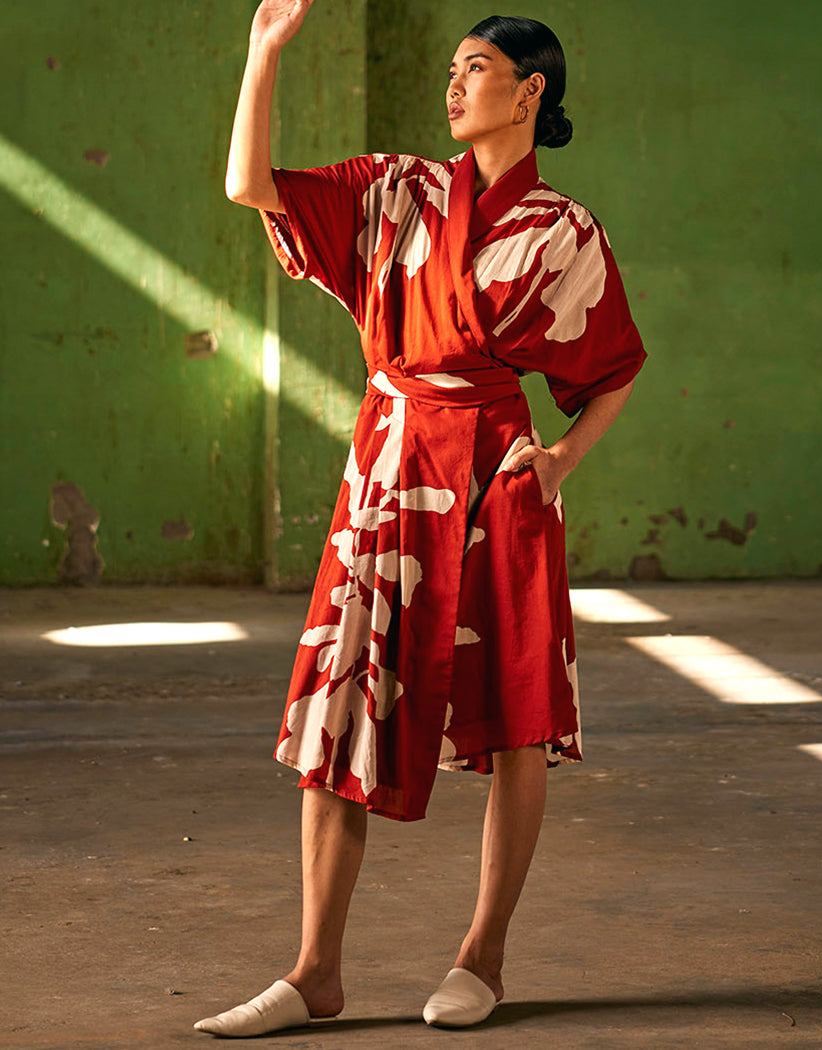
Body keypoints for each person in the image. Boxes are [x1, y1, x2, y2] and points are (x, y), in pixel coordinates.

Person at [194, 0, 645, 1036]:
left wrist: (561, 459)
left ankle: (484, 957)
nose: (454, 85)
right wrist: (263, 53)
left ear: (529, 93)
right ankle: (315, 972)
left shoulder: (562, 230)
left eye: (475, 68)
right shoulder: (396, 190)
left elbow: (615, 365)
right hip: (391, 466)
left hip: (497, 477)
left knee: (517, 712)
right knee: (340, 697)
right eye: (451, 69)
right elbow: (249, 185)